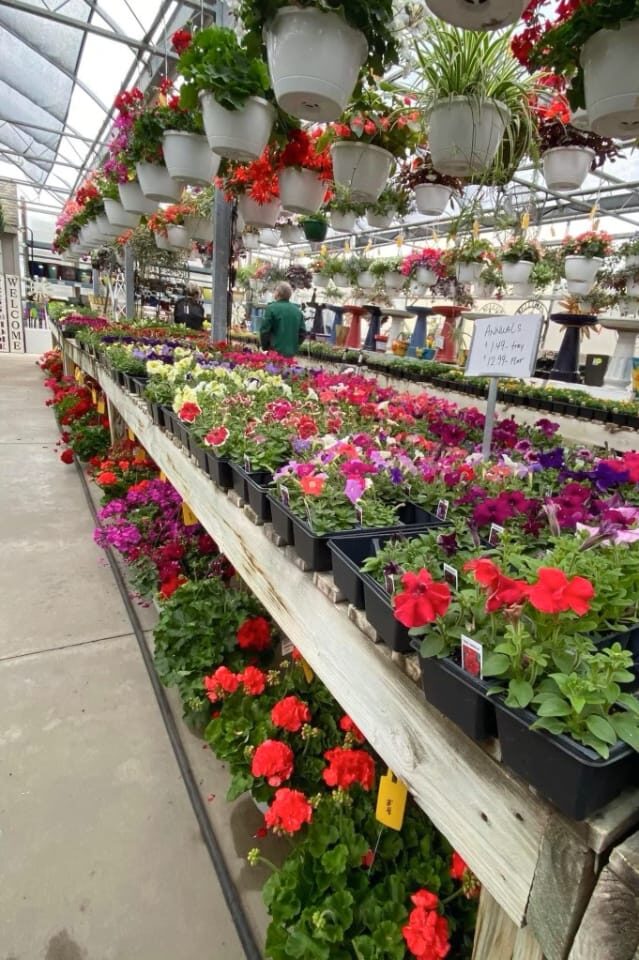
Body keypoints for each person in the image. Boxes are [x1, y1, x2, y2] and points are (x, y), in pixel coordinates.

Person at [259, 282, 306, 357]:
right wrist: (294, 346)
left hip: (274, 352)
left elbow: (264, 331)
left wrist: (265, 348)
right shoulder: (297, 311)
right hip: (290, 353)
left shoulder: (271, 308)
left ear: (278, 293)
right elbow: (302, 334)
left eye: (275, 290)